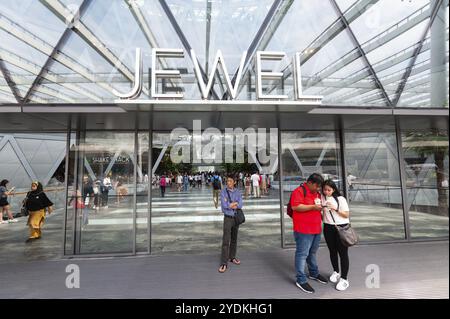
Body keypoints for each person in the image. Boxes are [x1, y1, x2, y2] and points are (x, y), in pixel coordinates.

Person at [290, 173, 328, 293]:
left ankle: (313, 273)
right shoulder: (299, 191)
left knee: (312, 252)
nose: (318, 189)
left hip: (316, 228)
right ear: (310, 182)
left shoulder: (316, 193)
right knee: (302, 254)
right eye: (316, 186)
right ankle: (300, 280)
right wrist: (313, 207)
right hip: (303, 229)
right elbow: (295, 207)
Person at [322, 179, 351, 291]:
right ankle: (336, 272)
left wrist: (335, 208)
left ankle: (344, 279)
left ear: (333, 189)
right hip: (328, 227)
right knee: (332, 251)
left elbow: (346, 214)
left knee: (343, 253)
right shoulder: (322, 199)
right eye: (325, 189)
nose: (326, 192)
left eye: (329, 190)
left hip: (341, 227)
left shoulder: (340, 199)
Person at [218, 174, 243, 273]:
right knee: (225, 241)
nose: (228, 183)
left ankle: (232, 257)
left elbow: (240, 204)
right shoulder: (223, 192)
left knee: (234, 239)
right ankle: (224, 263)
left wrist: (232, 204)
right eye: (227, 181)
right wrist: (233, 204)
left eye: (230, 181)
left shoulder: (237, 192)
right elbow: (223, 206)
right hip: (228, 218)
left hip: (236, 218)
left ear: (234, 182)